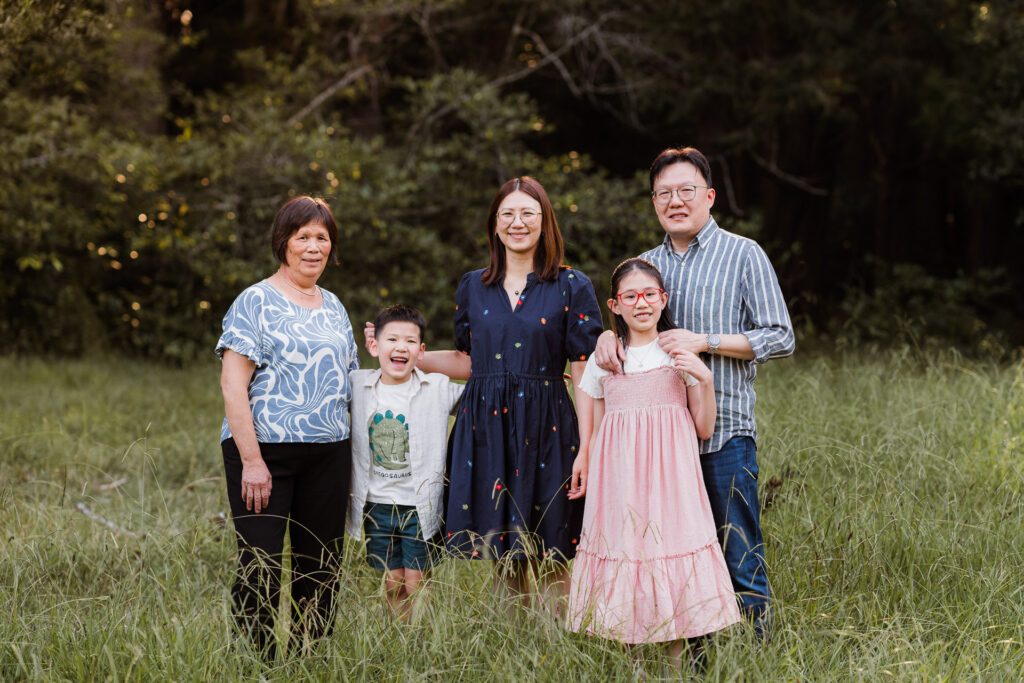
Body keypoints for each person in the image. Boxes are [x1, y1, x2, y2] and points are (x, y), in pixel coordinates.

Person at [367, 176, 603, 604]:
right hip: (488, 428)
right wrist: (401, 353)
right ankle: (515, 650)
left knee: (551, 548)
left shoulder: (572, 285)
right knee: (503, 547)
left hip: (549, 426)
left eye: (528, 213)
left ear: (544, 220)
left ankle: (560, 650)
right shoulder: (473, 286)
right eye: (507, 214)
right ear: (495, 224)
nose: (518, 222)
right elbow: (469, 361)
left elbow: (585, 371)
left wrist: (588, 445)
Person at [593, 147, 795, 637]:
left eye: (686, 190)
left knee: (737, 552)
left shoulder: (743, 254)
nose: (675, 201)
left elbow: (780, 336)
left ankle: (754, 656)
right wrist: (604, 335)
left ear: (709, 195)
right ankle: (692, 660)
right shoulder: (646, 265)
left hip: (722, 430)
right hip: (654, 450)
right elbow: (629, 324)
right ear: (654, 201)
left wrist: (705, 342)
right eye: (664, 193)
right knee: (669, 557)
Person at [568, 258, 740, 664]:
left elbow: (702, 426)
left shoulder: (676, 353)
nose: (641, 303)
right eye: (631, 296)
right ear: (615, 305)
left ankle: (675, 666)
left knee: (669, 551)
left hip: (672, 478)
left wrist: (705, 377)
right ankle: (638, 669)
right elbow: (590, 424)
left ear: (663, 299)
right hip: (620, 478)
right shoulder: (605, 358)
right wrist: (584, 458)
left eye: (649, 294)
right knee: (629, 551)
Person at [216, 196, 358, 657]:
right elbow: (233, 385)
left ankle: (307, 657)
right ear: (284, 243)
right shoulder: (255, 300)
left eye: (322, 238)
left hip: (330, 453)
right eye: (304, 237)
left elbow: (351, 381)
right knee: (260, 563)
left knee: (321, 564)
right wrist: (252, 462)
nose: (313, 247)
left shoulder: (335, 305)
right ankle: (258, 661)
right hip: (265, 453)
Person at [347, 305, 464, 621]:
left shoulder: (437, 387)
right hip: (377, 505)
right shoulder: (358, 385)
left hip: (420, 506)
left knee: (417, 583)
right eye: (392, 340)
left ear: (422, 351)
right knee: (393, 580)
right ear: (374, 346)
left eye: (410, 341)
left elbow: (482, 394)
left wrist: (538, 381)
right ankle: (398, 638)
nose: (401, 347)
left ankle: (420, 639)